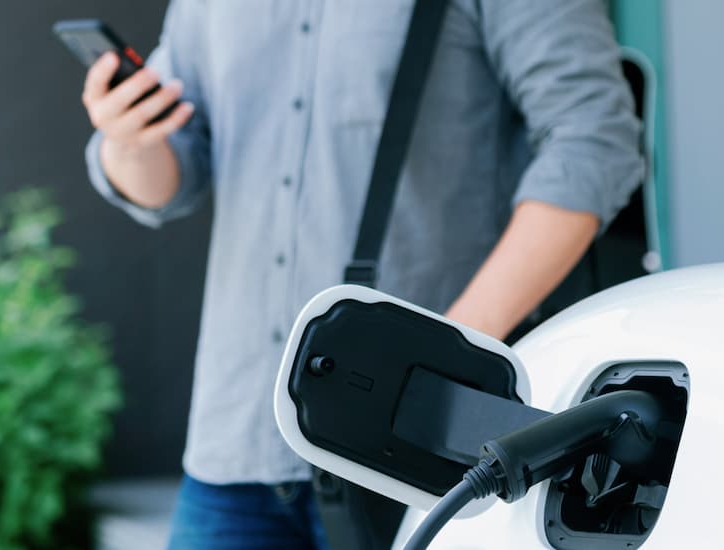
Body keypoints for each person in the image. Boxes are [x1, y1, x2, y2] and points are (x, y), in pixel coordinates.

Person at [79, 1, 643, 548]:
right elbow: (171, 177)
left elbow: (594, 140)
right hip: (236, 443)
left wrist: (444, 354)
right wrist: (128, 140)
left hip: (420, 448)